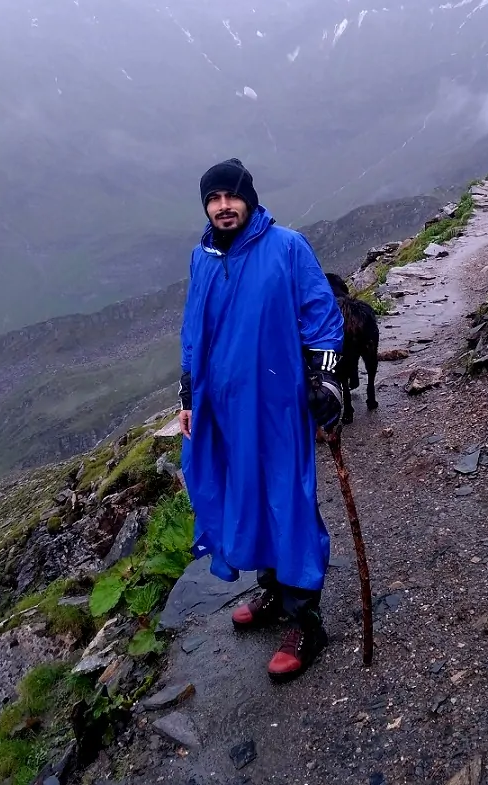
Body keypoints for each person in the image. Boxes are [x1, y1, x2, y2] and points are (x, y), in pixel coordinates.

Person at [177, 158, 345, 682]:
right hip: (225, 410)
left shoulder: (287, 248)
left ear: (249, 198)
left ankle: (306, 620)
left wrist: (328, 383)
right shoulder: (202, 258)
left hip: (277, 406)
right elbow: (193, 331)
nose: (224, 206)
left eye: (232, 196)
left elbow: (321, 316)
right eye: (214, 198)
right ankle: (275, 590)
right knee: (244, 496)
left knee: (287, 499)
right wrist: (188, 392)